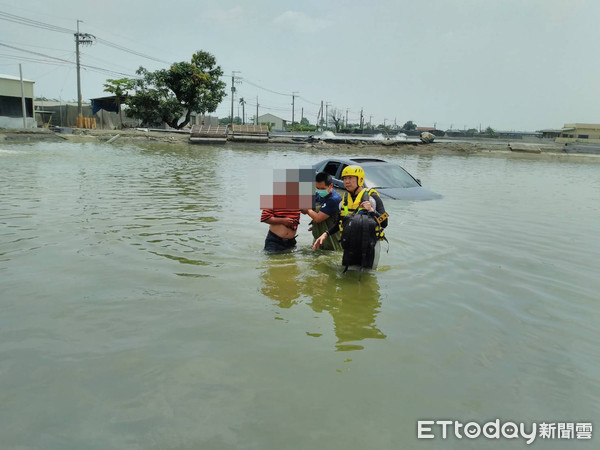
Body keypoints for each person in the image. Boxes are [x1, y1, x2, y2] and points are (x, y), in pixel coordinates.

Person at [313, 165, 388, 271]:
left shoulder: (372, 198)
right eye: (344, 179)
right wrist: (325, 234)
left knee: (367, 278)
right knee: (347, 275)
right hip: (350, 245)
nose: (347, 181)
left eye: (350, 178)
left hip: (369, 246)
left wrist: (372, 210)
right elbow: (339, 222)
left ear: (360, 179)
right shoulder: (344, 201)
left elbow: (385, 222)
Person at [300, 172, 342, 251]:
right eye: (317, 188)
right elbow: (310, 209)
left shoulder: (334, 199)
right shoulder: (318, 195)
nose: (319, 191)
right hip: (318, 237)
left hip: (331, 240)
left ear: (331, 186)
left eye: (322, 188)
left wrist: (308, 210)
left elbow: (318, 218)